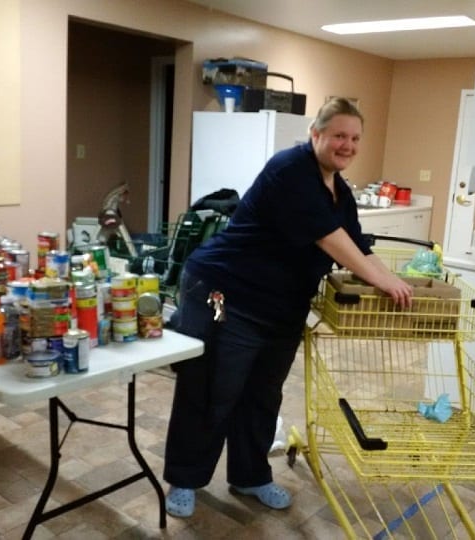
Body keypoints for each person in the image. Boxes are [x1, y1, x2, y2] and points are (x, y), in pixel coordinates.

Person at [163, 97, 413, 517]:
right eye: (338, 135)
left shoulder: (340, 191)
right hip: (227, 293)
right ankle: (184, 480)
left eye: (354, 138)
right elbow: (329, 239)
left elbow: (356, 245)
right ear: (316, 134)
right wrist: (380, 279)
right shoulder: (290, 169)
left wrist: (396, 282)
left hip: (280, 308)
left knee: (262, 395)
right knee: (213, 389)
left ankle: (250, 476)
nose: (347, 145)